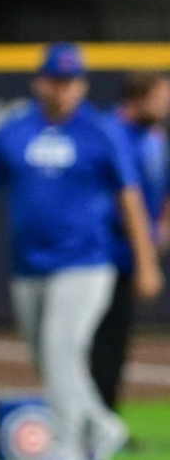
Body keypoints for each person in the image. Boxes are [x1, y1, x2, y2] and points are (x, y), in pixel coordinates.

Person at [0, 43, 165, 460]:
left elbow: (129, 199)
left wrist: (145, 261)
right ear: (40, 82)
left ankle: (69, 445)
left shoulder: (99, 132)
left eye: (73, 81)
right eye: (57, 80)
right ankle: (104, 426)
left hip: (86, 262)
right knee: (47, 359)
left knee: (62, 349)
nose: (65, 89)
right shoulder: (15, 130)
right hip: (29, 265)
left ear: (83, 84)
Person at [91, 72, 170, 412]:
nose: (166, 105)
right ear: (139, 97)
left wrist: (161, 228)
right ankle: (90, 419)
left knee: (116, 339)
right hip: (100, 251)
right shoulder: (107, 133)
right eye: (161, 97)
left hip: (132, 254)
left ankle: (106, 418)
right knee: (95, 339)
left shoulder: (154, 136)